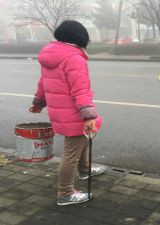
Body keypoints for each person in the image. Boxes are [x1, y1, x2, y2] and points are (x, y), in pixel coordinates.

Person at [29, 20, 106, 206]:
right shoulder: (74, 58)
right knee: (70, 154)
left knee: (83, 140)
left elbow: (43, 82)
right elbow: (80, 90)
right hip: (74, 114)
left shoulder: (51, 54)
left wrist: (38, 102)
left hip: (61, 113)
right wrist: (88, 116)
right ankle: (65, 193)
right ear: (80, 37)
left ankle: (85, 169)